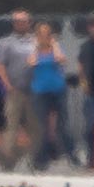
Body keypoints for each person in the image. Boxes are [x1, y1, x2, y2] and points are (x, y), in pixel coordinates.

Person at [29, 22, 76, 170]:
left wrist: (54, 44)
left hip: (58, 89)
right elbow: (31, 62)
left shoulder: (56, 49)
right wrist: (36, 46)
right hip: (40, 91)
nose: (44, 38)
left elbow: (60, 59)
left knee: (62, 125)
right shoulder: (34, 51)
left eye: (47, 34)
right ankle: (41, 159)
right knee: (42, 126)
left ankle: (70, 155)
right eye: (41, 35)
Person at [0, 9, 40, 168]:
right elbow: (0, 65)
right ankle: (7, 161)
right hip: (15, 90)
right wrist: (7, 84)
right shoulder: (6, 42)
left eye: (24, 21)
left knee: (35, 127)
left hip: (34, 91)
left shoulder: (36, 41)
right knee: (11, 126)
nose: (21, 24)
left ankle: (34, 160)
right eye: (17, 21)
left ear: (29, 23)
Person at [77, 13, 94, 168]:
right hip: (91, 89)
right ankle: (91, 158)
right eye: (93, 25)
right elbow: (81, 65)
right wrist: (83, 82)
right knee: (90, 125)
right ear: (89, 28)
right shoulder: (86, 46)